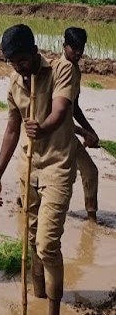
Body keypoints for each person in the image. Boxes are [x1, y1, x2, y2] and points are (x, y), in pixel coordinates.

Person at [0, 24, 77, 314]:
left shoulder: (60, 70)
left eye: (22, 61)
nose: (19, 67)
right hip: (28, 169)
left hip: (57, 168)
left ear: (34, 51)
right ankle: (38, 298)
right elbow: (12, 131)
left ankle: (53, 309)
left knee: (46, 245)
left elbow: (61, 110)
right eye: (12, 62)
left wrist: (42, 128)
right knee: (29, 243)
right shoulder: (15, 83)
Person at [61, 27, 100, 221]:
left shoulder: (75, 69)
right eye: (73, 48)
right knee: (53, 178)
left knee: (90, 172)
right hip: (55, 137)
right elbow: (57, 114)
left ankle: (91, 218)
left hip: (69, 133)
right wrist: (84, 132)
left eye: (80, 48)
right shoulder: (59, 71)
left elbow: (74, 107)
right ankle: (22, 202)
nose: (77, 52)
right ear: (64, 46)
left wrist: (90, 130)